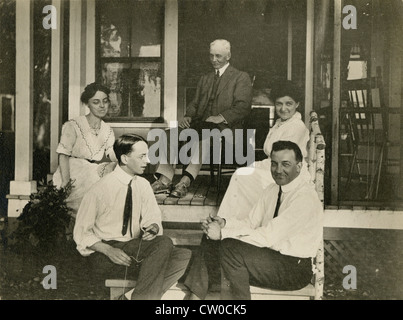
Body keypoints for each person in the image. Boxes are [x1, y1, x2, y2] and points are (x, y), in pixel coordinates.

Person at [184, 141, 323, 300]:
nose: (278, 170)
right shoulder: (272, 190)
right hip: (270, 257)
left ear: (298, 167)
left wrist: (223, 233)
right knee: (210, 239)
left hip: (293, 268)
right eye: (274, 164)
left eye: (286, 164)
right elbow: (250, 223)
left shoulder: (304, 198)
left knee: (230, 249)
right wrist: (224, 223)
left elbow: (268, 237)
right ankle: (194, 299)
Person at [73, 134, 192, 300]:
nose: (147, 161)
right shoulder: (99, 189)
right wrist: (108, 250)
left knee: (183, 255)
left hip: (134, 252)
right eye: (142, 156)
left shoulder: (142, 185)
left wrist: (153, 227)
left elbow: (152, 217)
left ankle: (130, 297)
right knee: (165, 243)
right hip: (107, 256)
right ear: (125, 158)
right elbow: (81, 234)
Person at [151, 39, 252, 198]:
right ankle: (165, 179)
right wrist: (188, 115)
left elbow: (243, 106)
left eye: (218, 56)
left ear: (228, 56)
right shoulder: (205, 78)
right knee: (169, 134)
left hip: (226, 129)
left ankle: (185, 181)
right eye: (211, 56)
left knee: (204, 137)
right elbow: (195, 103)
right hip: (201, 125)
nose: (214, 60)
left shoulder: (240, 77)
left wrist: (221, 117)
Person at [217, 80, 311, 220]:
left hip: (288, 175)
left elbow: (282, 160)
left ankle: (229, 222)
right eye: (279, 104)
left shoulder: (296, 127)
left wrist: (255, 167)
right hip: (276, 169)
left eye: (288, 104)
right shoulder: (281, 123)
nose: (283, 108)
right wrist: (255, 166)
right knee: (242, 174)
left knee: (241, 176)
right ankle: (231, 221)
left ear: (297, 104)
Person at [53, 82, 118, 216]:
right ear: (87, 104)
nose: (102, 106)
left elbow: (113, 154)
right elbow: (63, 155)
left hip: (93, 171)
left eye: (105, 101)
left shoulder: (107, 130)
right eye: (96, 102)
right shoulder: (73, 125)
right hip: (73, 172)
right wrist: (66, 182)